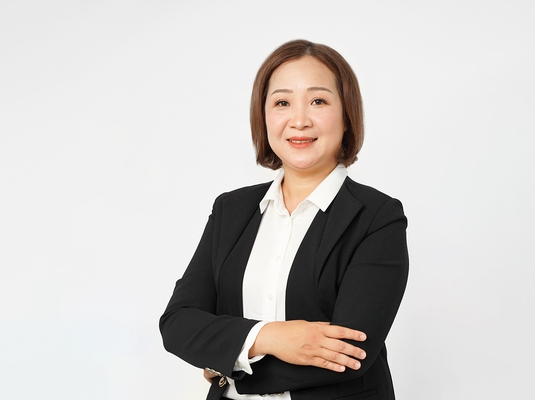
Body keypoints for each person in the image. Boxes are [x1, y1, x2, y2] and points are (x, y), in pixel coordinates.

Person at [160, 39, 409, 400]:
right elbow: (178, 323)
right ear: (263, 117)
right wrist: (271, 337)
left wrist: (229, 361)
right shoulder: (231, 210)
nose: (300, 120)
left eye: (318, 101)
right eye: (282, 102)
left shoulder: (377, 217)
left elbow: (350, 354)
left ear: (346, 115)